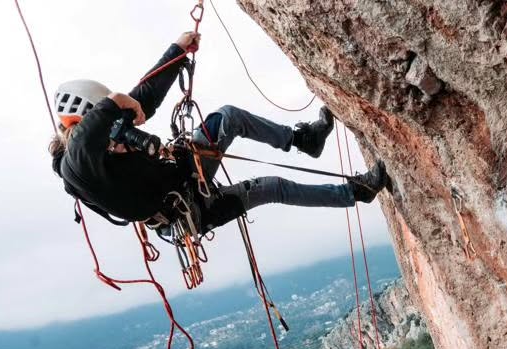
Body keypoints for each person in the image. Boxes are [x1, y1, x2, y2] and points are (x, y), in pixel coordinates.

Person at [50, 31, 390, 231]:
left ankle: (304, 139)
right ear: (84, 119)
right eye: (104, 114)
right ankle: (356, 192)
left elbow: (145, 98)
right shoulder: (76, 168)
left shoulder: (106, 134)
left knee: (228, 117)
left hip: (182, 173)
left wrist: (177, 51)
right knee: (273, 187)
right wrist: (113, 101)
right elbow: (84, 145)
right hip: (190, 212)